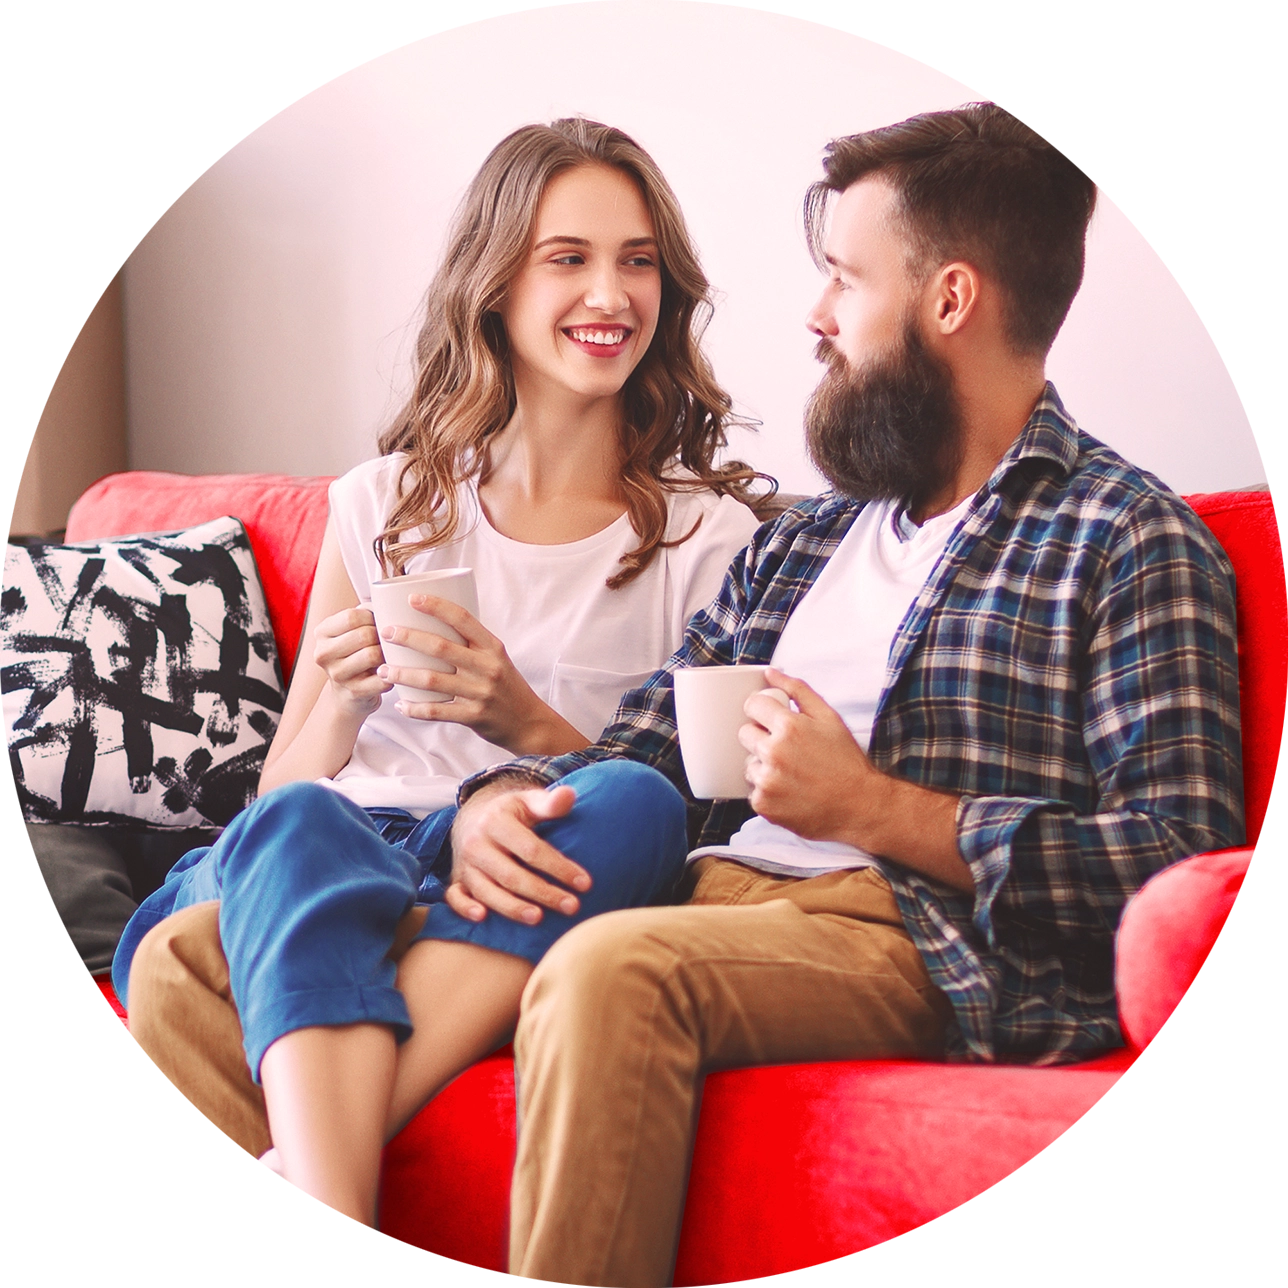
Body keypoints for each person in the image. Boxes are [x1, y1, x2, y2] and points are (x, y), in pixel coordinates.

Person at [443, 104, 1245, 1285]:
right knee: (207, 960)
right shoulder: (799, 546)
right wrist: (497, 802)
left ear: (950, 300)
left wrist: (872, 809)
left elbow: (1178, 868)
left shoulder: (1127, 540)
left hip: (900, 933)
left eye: (842, 279)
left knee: (613, 970)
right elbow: (639, 751)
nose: (815, 317)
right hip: (698, 897)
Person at [113, 118, 765, 1233]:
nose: (610, 292)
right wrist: (344, 697)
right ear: (494, 284)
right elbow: (281, 798)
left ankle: (310, 1180)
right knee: (302, 825)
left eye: (638, 260)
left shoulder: (708, 537)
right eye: (568, 258)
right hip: (348, 857)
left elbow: (713, 810)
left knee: (634, 800)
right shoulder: (384, 501)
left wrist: (521, 719)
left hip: (518, 865)